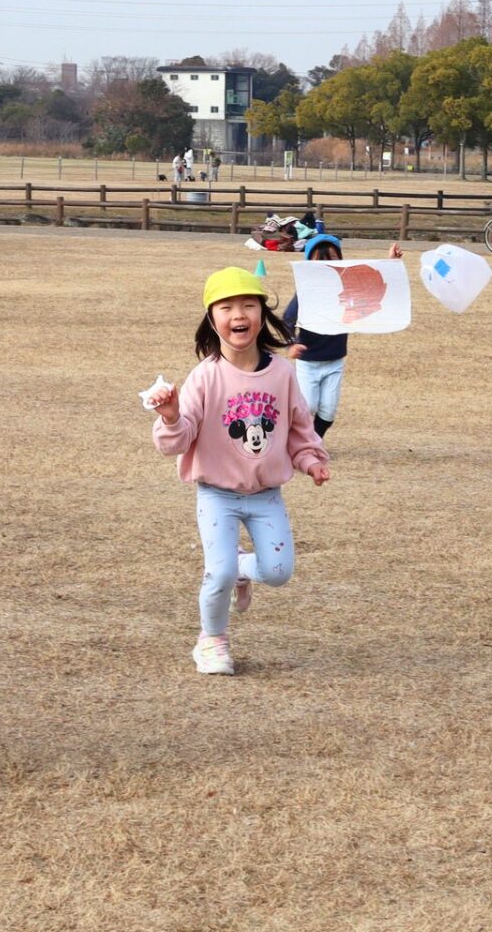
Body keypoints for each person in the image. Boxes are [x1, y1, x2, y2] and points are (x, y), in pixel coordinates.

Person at [150, 267, 329, 676]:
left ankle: (243, 570)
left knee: (278, 572)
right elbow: (173, 443)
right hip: (217, 494)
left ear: (261, 315)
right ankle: (212, 641)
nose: (238, 314)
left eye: (248, 305)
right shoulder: (205, 376)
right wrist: (173, 416)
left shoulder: (281, 373)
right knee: (220, 570)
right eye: (226, 307)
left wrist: (312, 461)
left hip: (266, 495)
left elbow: (300, 427)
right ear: (212, 319)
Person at [279, 233, 403, 440]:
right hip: (308, 362)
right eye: (321, 260)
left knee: (328, 410)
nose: (327, 265)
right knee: (307, 405)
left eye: (333, 259)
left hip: (335, 360)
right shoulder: (306, 292)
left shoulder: (349, 289)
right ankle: (290, 438)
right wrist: (291, 344)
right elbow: (287, 320)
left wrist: (392, 262)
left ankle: (313, 442)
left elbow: (375, 290)